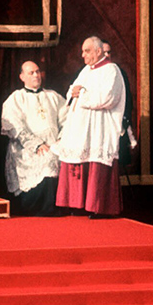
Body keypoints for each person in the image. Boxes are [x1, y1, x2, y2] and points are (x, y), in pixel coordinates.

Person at [53, 36, 129, 218]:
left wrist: (83, 94)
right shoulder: (86, 70)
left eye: (87, 51)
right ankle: (77, 203)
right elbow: (72, 91)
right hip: (80, 127)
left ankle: (99, 207)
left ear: (98, 51)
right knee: (76, 159)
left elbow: (108, 98)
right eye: (82, 51)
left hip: (99, 127)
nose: (83, 55)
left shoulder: (112, 70)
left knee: (96, 161)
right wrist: (76, 93)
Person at [0, 61, 66, 216]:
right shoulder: (16, 98)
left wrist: (61, 141)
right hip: (27, 148)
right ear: (22, 76)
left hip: (54, 144)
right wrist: (36, 144)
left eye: (38, 72)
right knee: (45, 158)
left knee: (55, 155)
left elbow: (67, 119)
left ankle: (57, 206)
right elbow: (14, 125)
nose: (36, 75)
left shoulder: (53, 96)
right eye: (31, 73)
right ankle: (37, 208)